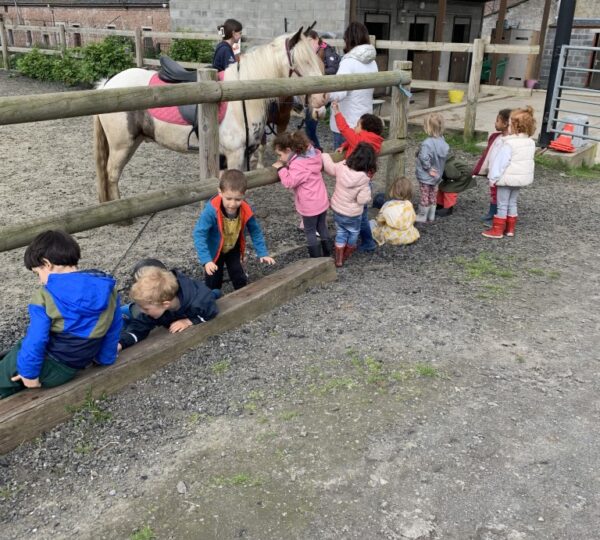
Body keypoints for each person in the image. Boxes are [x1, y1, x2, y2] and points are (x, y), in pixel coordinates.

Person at [0, 230, 122, 399]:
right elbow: (113, 327)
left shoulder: (44, 296)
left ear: (46, 263)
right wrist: (105, 358)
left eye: (37, 273)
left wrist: (29, 374)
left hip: (51, 368)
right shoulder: (107, 288)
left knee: (18, 354)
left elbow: (36, 338)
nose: (40, 280)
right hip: (73, 367)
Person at [193, 169, 275, 290]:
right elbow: (199, 233)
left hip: (233, 247)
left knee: (238, 275)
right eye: (229, 198)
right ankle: (212, 301)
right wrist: (206, 260)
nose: (232, 204)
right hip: (215, 250)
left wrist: (262, 253)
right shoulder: (211, 210)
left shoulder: (245, 209)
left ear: (244, 195)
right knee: (213, 279)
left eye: (237, 199)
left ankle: (243, 297)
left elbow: (255, 231)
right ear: (220, 192)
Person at [117, 264, 219, 351]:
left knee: (211, 297)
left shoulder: (198, 302)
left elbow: (211, 312)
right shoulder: (155, 309)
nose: (142, 311)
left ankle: (215, 293)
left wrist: (189, 321)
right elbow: (138, 327)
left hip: (202, 296)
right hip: (179, 309)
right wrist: (120, 344)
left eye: (146, 309)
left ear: (165, 304)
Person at [272, 131, 331, 258]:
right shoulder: (311, 156)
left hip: (309, 204)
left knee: (310, 231)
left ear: (288, 150)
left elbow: (289, 182)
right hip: (321, 200)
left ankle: (316, 259)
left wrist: (281, 168)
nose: (279, 158)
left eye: (280, 155)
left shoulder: (298, 164)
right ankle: (328, 253)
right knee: (322, 227)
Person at [482, 106, 536, 239]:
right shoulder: (530, 142)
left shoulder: (509, 143)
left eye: (510, 124)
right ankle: (510, 229)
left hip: (506, 179)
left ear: (515, 127)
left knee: (502, 204)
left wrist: (493, 178)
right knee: (512, 203)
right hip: (518, 180)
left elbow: (501, 164)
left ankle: (497, 230)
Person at [322, 142, 376, 267]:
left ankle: (339, 258)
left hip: (338, 209)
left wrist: (324, 155)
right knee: (353, 232)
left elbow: (329, 168)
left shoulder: (342, 166)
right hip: (353, 213)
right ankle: (346, 253)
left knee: (341, 231)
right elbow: (362, 200)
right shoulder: (364, 179)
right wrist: (368, 192)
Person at [472, 108, 512, 225]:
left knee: (500, 197)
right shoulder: (496, 137)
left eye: (497, 120)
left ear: (505, 124)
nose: (495, 123)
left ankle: (496, 218)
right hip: (493, 173)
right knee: (494, 195)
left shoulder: (509, 141)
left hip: (502, 175)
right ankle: (492, 214)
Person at [415, 112, 450, 224]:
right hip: (437, 174)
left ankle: (422, 215)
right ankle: (431, 215)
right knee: (433, 195)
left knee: (425, 195)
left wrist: (428, 168)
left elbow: (424, 158)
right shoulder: (443, 141)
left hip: (426, 175)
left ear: (428, 127)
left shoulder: (427, 143)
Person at [370, 176, 420, 246]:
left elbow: (380, 220)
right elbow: (413, 218)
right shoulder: (409, 205)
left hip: (390, 236)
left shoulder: (388, 205)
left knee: (371, 223)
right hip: (408, 236)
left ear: (392, 190)